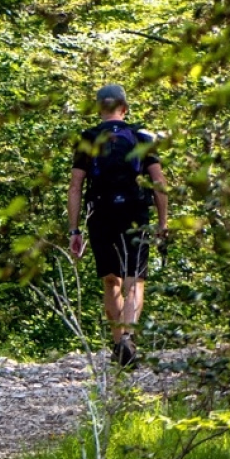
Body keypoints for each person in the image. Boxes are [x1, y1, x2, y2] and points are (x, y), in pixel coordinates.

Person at [67, 88, 168, 371]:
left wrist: (74, 231)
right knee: (134, 279)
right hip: (134, 213)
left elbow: (75, 187)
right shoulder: (141, 136)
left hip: (101, 214)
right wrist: (163, 223)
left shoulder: (88, 139)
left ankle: (117, 347)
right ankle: (127, 338)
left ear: (99, 108)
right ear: (124, 108)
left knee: (111, 280)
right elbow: (158, 182)